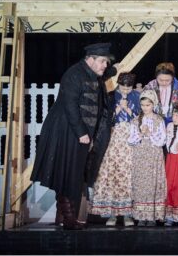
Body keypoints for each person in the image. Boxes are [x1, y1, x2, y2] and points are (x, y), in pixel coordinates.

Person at [30, 42, 118, 230]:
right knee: (68, 172)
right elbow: (70, 105)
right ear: (90, 59)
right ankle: (69, 218)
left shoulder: (92, 73)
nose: (105, 65)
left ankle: (63, 216)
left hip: (76, 130)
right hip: (67, 130)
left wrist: (113, 70)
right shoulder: (74, 74)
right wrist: (81, 132)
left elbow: (106, 74)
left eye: (106, 62)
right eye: (102, 61)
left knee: (72, 172)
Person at [89, 72, 141, 226]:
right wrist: (118, 109)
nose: (125, 91)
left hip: (131, 137)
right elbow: (104, 117)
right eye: (123, 88)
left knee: (129, 174)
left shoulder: (137, 96)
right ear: (118, 84)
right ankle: (112, 214)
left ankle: (128, 215)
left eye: (128, 88)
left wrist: (128, 110)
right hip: (113, 137)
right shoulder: (111, 96)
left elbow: (141, 117)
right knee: (112, 172)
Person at [128, 89, 167, 226]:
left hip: (154, 155)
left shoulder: (158, 120)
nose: (145, 108)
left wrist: (149, 133)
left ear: (153, 104)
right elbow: (131, 140)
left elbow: (162, 140)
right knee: (140, 184)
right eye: (143, 105)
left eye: (148, 105)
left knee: (153, 183)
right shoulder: (135, 120)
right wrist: (140, 133)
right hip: (140, 155)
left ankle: (152, 216)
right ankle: (140, 215)